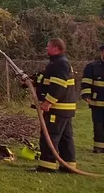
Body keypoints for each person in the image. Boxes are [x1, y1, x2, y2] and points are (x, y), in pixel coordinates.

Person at [33, 38, 78, 172]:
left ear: (56, 48)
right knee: (65, 139)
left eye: (48, 46)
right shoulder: (56, 63)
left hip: (58, 108)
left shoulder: (60, 64)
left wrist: (48, 102)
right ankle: (68, 165)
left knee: (50, 136)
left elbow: (58, 87)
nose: (46, 48)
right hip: (64, 109)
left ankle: (47, 166)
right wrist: (31, 80)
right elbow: (46, 79)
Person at [81, 44, 104, 153]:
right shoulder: (92, 67)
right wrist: (86, 95)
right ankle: (99, 147)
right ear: (101, 53)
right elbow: (86, 82)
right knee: (98, 125)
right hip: (97, 103)